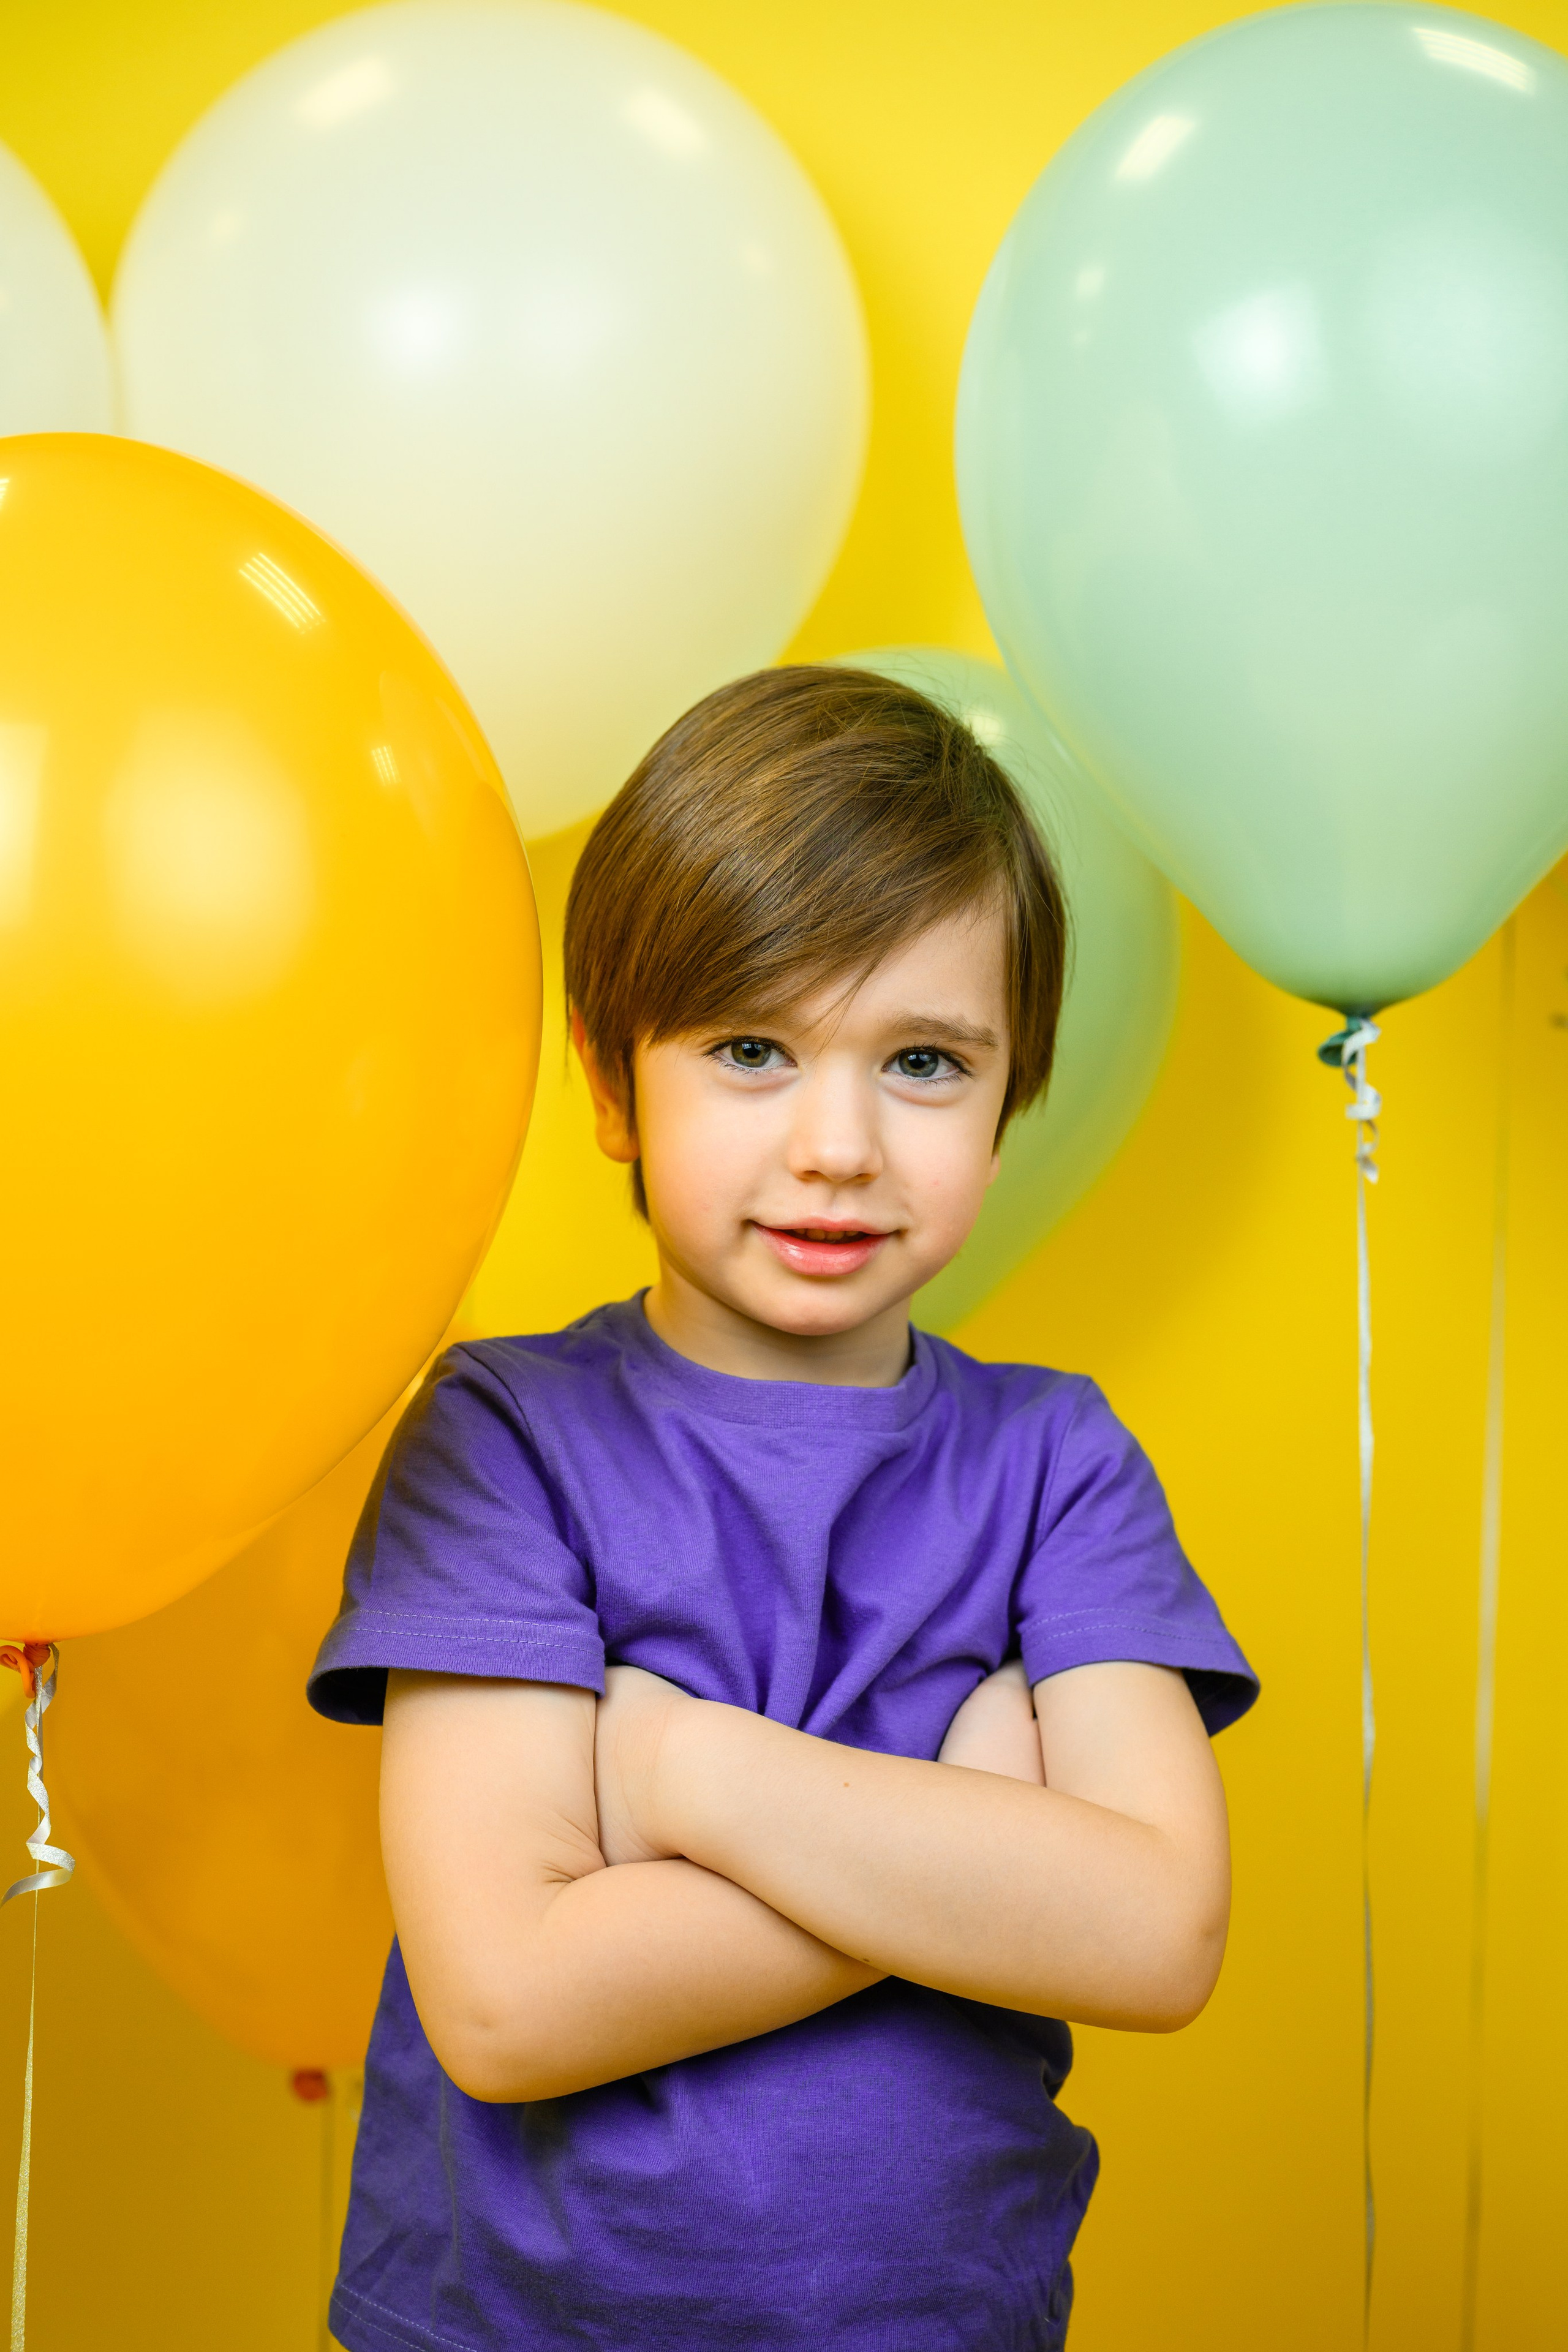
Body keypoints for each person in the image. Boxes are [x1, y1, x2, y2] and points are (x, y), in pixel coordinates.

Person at [308, 664, 1257, 2352]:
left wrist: (683, 1771)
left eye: (922, 1063)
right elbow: (513, 2003)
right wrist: (963, 1844)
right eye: (751, 1050)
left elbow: (1155, 1931)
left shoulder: (1059, 1464)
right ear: (614, 1086)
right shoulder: (506, 1438)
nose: (837, 1144)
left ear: (1013, 1085)